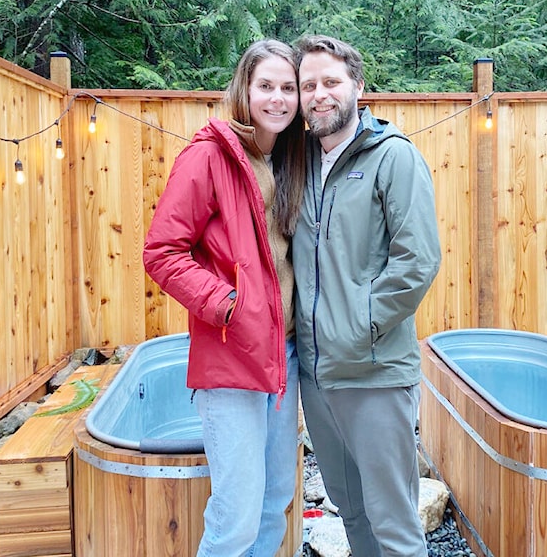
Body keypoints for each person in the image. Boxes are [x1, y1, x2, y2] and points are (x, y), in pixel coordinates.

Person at [142, 39, 306, 557]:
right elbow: (162, 252)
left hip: (284, 357)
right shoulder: (209, 156)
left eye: (288, 88)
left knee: (274, 497)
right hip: (232, 356)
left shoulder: (287, 159)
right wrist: (228, 307)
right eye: (266, 86)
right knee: (234, 516)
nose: (278, 98)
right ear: (244, 89)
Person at [291, 34, 442, 557]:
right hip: (316, 375)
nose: (319, 94)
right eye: (308, 84)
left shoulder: (393, 157)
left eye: (330, 82)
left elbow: (417, 261)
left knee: (394, 524)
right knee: (351, 512)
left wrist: (357, 329)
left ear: (357, 85)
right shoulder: (300, 161)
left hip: (374, 373)